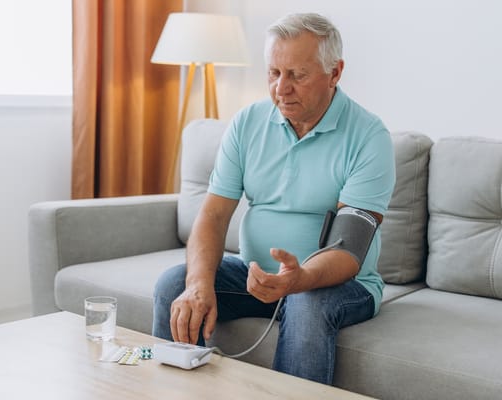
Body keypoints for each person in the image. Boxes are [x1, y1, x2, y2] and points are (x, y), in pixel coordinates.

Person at [152, 12, 396, 385]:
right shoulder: (247, 123)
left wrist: (299, 279)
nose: (282, 88)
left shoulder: (368, 136)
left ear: (335, 73)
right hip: (255, 274)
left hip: (342, 284)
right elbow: (214, 216)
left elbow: (349, 251)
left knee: (307, 302)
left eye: (297, 75)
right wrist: (199, 282)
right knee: (176, 283)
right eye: (274, 73)